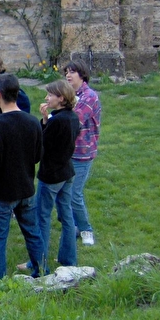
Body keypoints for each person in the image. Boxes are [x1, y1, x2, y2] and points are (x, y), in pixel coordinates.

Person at [0, 73, 44, 279]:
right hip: (26, 188)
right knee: (33, 233)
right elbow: (37, 156)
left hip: (2, 191)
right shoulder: (33, 122)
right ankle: (42, 272)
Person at [18, 80, 81, 274]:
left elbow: (42, 144)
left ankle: (38, 262)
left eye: (50, 95)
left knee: (41, 218)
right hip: (67, 172)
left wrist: (44, 123)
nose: (47, 98)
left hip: (52, 175)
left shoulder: (58, 120)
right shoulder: (72, 117)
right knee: (67, 216)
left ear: (61, 98)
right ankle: (68, 259)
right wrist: (46, 119)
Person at [64, 59, 101, 246]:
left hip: (82, 152)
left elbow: (74, 120)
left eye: (72, 72)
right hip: (68, 151)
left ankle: (86, 229)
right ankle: (75, 227)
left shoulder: (89, 96)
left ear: (82, 74)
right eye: (66, 73)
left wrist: (55, 114)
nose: (68, 75)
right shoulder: (69, 94)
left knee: (74, 193)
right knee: (66, 192)